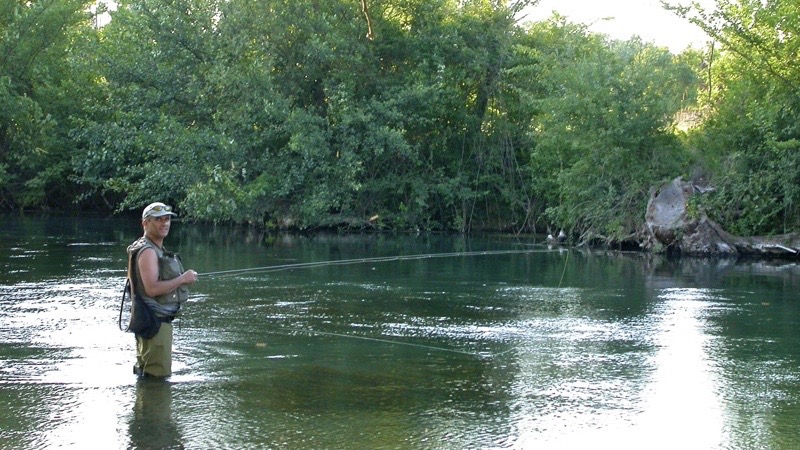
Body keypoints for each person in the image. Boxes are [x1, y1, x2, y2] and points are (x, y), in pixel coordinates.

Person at [127, 202, 198, 378]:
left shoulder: (148, 247)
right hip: (155, 324)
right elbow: (151, 289)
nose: (164, 223)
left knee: (148, 376)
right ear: (145, 223)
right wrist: (183, 279)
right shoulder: (149, 252)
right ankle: (156, 405)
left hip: (149, 322)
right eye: (158, 220)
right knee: (157, 378)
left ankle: (147, 404)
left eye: (167, 219)